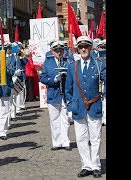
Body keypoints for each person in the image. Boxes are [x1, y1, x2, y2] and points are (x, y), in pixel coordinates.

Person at [65, 36, 106, 178]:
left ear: (91, 48)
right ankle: (86, 165)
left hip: (95, 106)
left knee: (95, 138)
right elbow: (68, 88)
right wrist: (70, 106)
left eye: (86, 47)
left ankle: (95, 165)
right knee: (81, 138)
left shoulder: (99, 65)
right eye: (81, 47)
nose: (83, 49)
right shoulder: (72, 66)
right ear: (78, 49)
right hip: (78, 107)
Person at [40, 40, 73, 151]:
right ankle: (56, 142)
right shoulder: (48, 63)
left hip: (65, 94)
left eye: (60, 50)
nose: (59, 52)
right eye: (56, 50)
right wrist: (53, 80)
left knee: (66, 119)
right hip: (53, 93)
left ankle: (65, 141)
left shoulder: (68, 61)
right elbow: (43, 78)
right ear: (52, 51)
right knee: (54, 119)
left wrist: (68, 76)